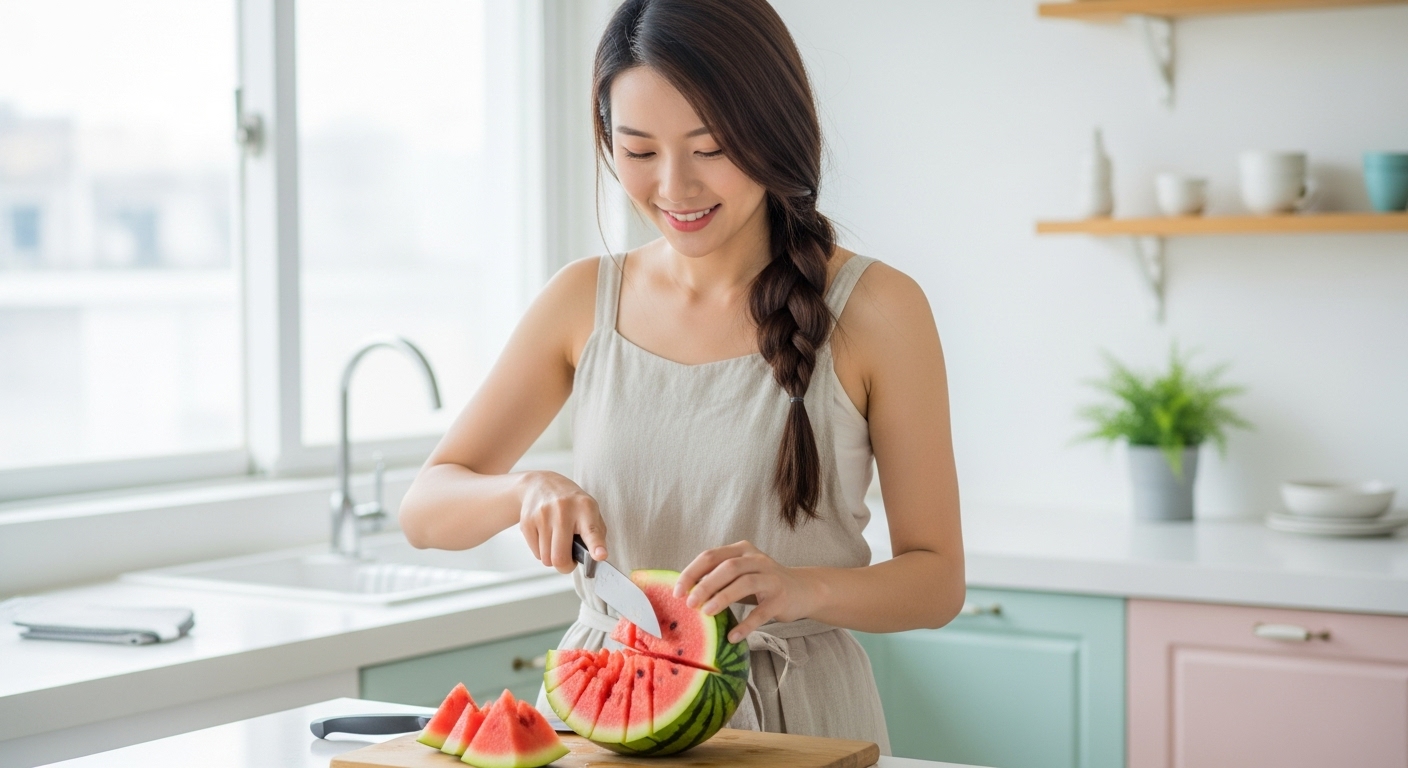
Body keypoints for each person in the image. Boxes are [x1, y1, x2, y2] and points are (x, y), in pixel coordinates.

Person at [399, 0, 962, 752]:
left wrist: (804, 587)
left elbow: (937, 581)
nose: (675, 187)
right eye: (638, 152)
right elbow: (426, 507)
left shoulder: (881, 310)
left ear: (773, 130)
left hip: (798, 721)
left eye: (710, 147)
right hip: (606, 705)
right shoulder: (582, 300)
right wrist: (523, 489)